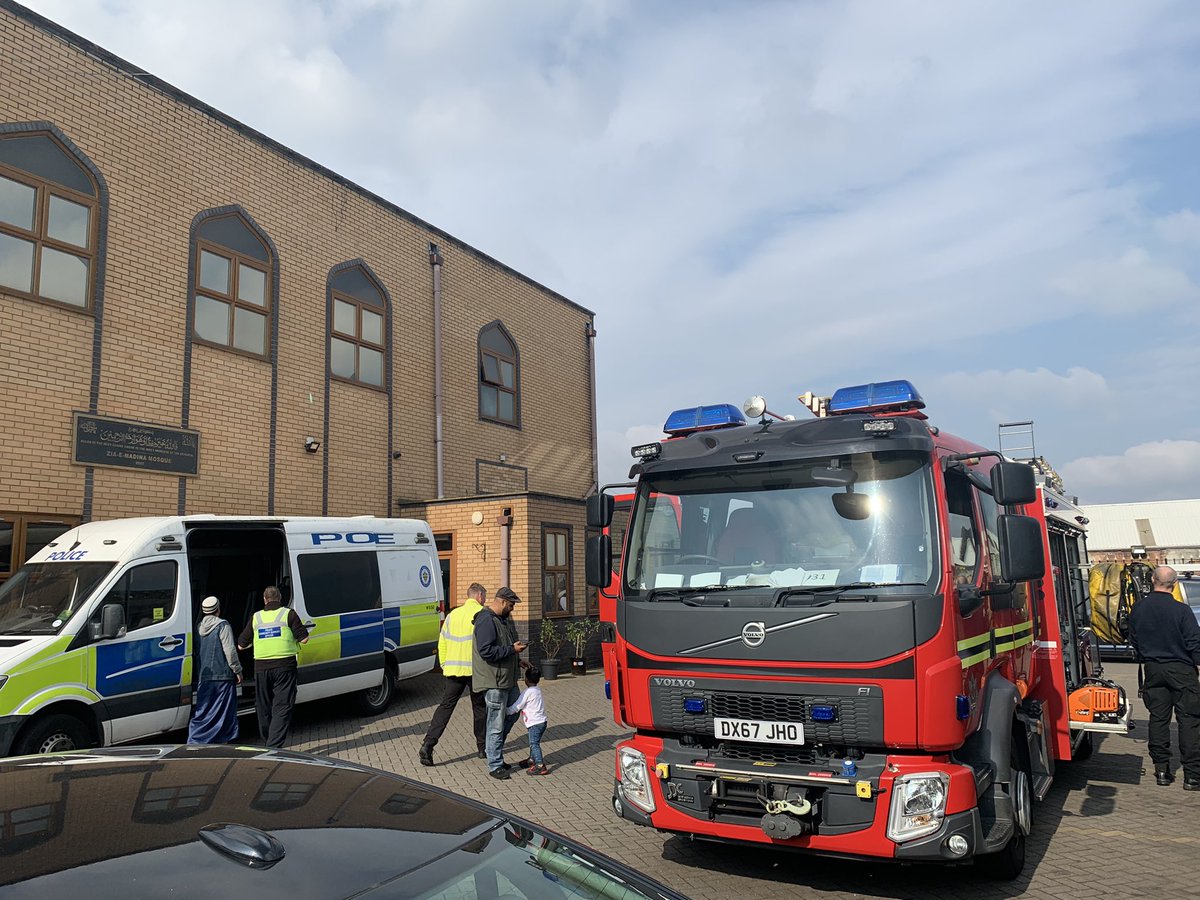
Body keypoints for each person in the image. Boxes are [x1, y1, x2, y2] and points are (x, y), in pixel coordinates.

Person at [1128, 565, 1200, 790]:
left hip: (1153, 669)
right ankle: (1192, 776)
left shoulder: (1139, 608)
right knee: (1189, 720)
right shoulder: (1182, 610)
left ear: (1152, 580)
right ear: (1174, 584)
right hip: (1182, 670)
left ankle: (1161, 770)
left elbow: (1133, 638)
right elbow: (1194, 642)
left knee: (1158, 719)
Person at [419, 583, 489, 766]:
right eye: (485, 596)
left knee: (445, 707)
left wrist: (444, 664)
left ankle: (428, 744)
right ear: (479, 596)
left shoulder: (452, 615)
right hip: (475, 671)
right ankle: (482, 748)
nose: (485, 600)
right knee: (480, 708)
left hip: (453, 670)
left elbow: (442, 641)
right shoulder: (482, 614)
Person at [237, 585, 309, 750]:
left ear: (265, 599)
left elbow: (241, 645)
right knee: (282, 706)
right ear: (280, 598)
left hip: (261, 668)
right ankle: (273, 746)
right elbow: (304, 639)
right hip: (284, 666)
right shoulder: (288, 614)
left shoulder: (256, 617)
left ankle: (268, 741)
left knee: (263, 706)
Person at [472, 585, 528, 780]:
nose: (512, 609)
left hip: (507, 679)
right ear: (502, 601)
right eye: (511, 605)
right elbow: (486, 651)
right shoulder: (486, 620)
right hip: (494, 681)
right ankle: (494, 763)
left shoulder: (501, 620)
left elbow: (502, 647)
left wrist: (517, 659)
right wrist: (512, 650)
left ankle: (493, 752)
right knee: (495, 722)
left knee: (513, 713)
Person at [188, 596, 242, 744]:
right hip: (223, 676)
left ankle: (196, 738)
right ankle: (221, 739)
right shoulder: (223, 625)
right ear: (218, 609)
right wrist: (237, 670)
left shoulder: (198, 627)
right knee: (224, 711)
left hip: (204, 676)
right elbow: (230, 651)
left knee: (204, 710)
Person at [507, 665, 549, 775]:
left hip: (535, 723)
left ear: (526, 679)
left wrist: (506, 711)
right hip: (542, 722)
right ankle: (532, 760)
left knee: (534, 744)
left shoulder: (527, 692)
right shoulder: (537, 690)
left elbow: (517, 706)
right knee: (534, 742)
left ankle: (540, 765)